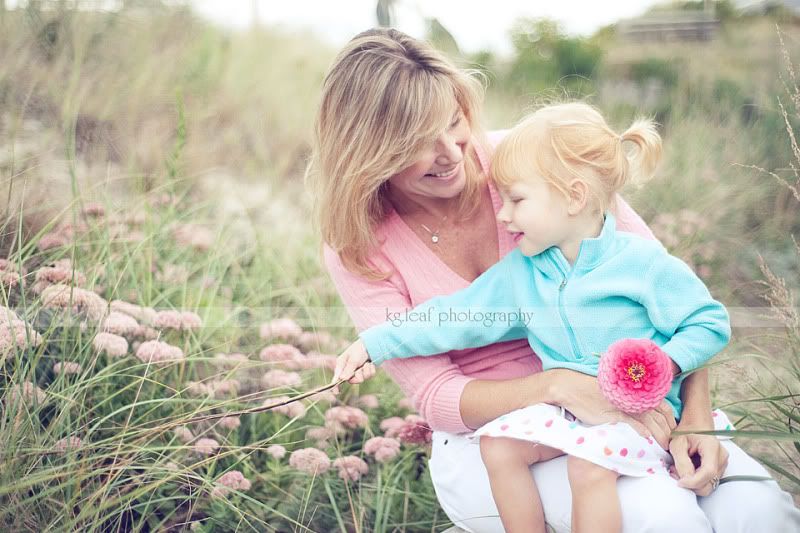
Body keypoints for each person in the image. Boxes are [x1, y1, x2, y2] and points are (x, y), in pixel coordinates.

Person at [307, 27, 800, 532]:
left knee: (759, 510)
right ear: (368, 153)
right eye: (415, 142)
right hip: (502, 437)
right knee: (661, 515)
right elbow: (438, 393)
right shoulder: (357, 244)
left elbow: (670, 303)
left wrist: (694, 418)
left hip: (640, 400)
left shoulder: (532, 164)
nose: (451, 153)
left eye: (452, 122)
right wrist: (564, 387)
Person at [332, 102, 736, 532]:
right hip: (570, 410)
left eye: (517, 200)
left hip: (642, 410)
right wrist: (376, 342)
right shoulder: (523, 273)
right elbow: (453, 316)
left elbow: (708, 322)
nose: (503, 215)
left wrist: (664, 366)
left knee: (588, 471)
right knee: (499, 447)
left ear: (575, 197)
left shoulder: (642, 263)